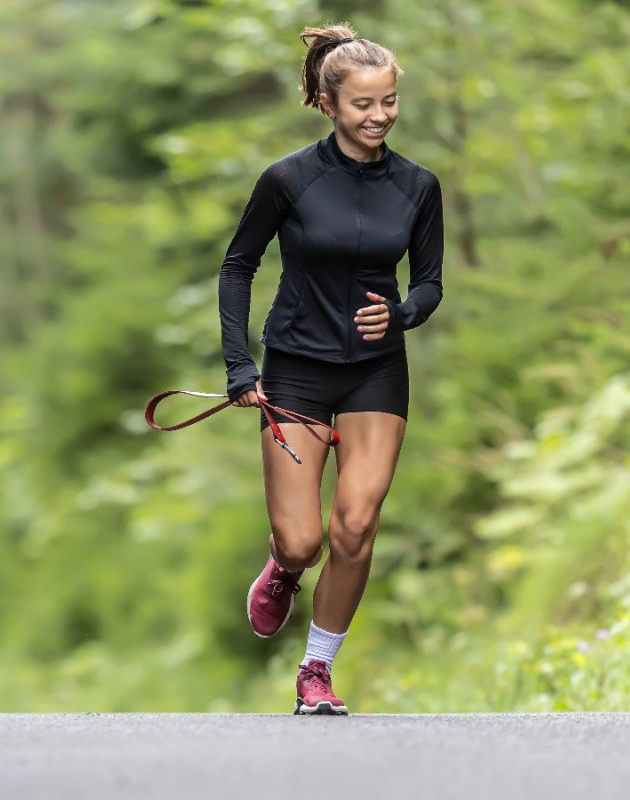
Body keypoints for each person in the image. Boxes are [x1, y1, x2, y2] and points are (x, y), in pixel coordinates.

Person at [217, 23, 443, 715]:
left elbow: (430, 283)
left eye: (390, 102)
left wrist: (402, 313)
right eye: (363, 105)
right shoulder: (288, 179)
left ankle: (317, 669)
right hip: (295, 371)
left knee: (356, 526)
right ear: (327, 102)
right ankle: (283, 567)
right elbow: (238, 266)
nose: (379, 117)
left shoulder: (418, 186)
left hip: (376, 372)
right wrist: (238, 364)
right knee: (305, 539)